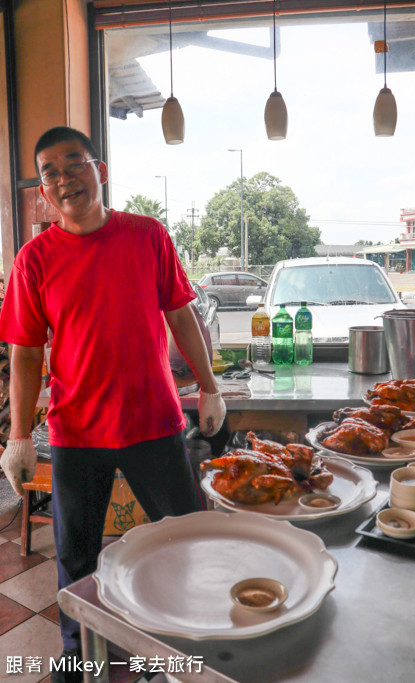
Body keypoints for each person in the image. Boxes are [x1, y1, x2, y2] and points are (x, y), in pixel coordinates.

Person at [0, 126, 226, 682]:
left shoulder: (148, 236)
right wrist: (20, 435)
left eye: (73, 162)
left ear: (99, 169)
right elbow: (26, 353)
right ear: (44, 191)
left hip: (154, 423)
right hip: (77, 435)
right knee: (77, 558)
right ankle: (77, 658)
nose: (62, 177)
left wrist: (210, 385)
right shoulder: (34, 260)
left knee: (184, 544)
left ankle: (179, 645)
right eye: (49, 171)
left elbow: (181, 316)